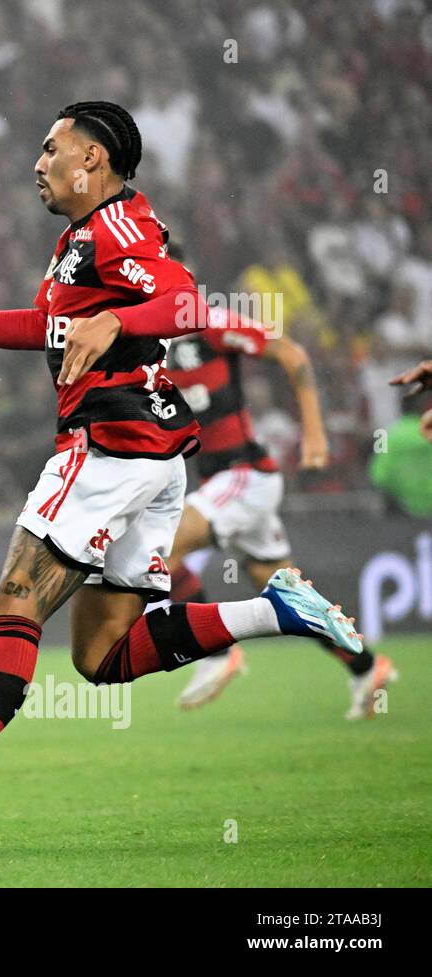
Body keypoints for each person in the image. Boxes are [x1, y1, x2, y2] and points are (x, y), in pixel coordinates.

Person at [0, 101, 363, 835]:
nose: (38, 162)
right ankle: (276, 609)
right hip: (156, 459)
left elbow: (185, 304)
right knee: (102, 656)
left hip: (109, 445)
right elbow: (41, 328)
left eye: (51, 147)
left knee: (16, 599)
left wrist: (118, 320)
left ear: (93, 159)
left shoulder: (117, 225)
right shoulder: (80, 241)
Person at [161, 244, 395, 718]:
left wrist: (313, 431)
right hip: (226, 483)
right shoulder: (148, 342)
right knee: (286, 593)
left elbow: (291, 352)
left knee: (161, 550)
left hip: (243, 475)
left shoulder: (209, 323)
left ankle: (218, 653)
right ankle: (367, 667)